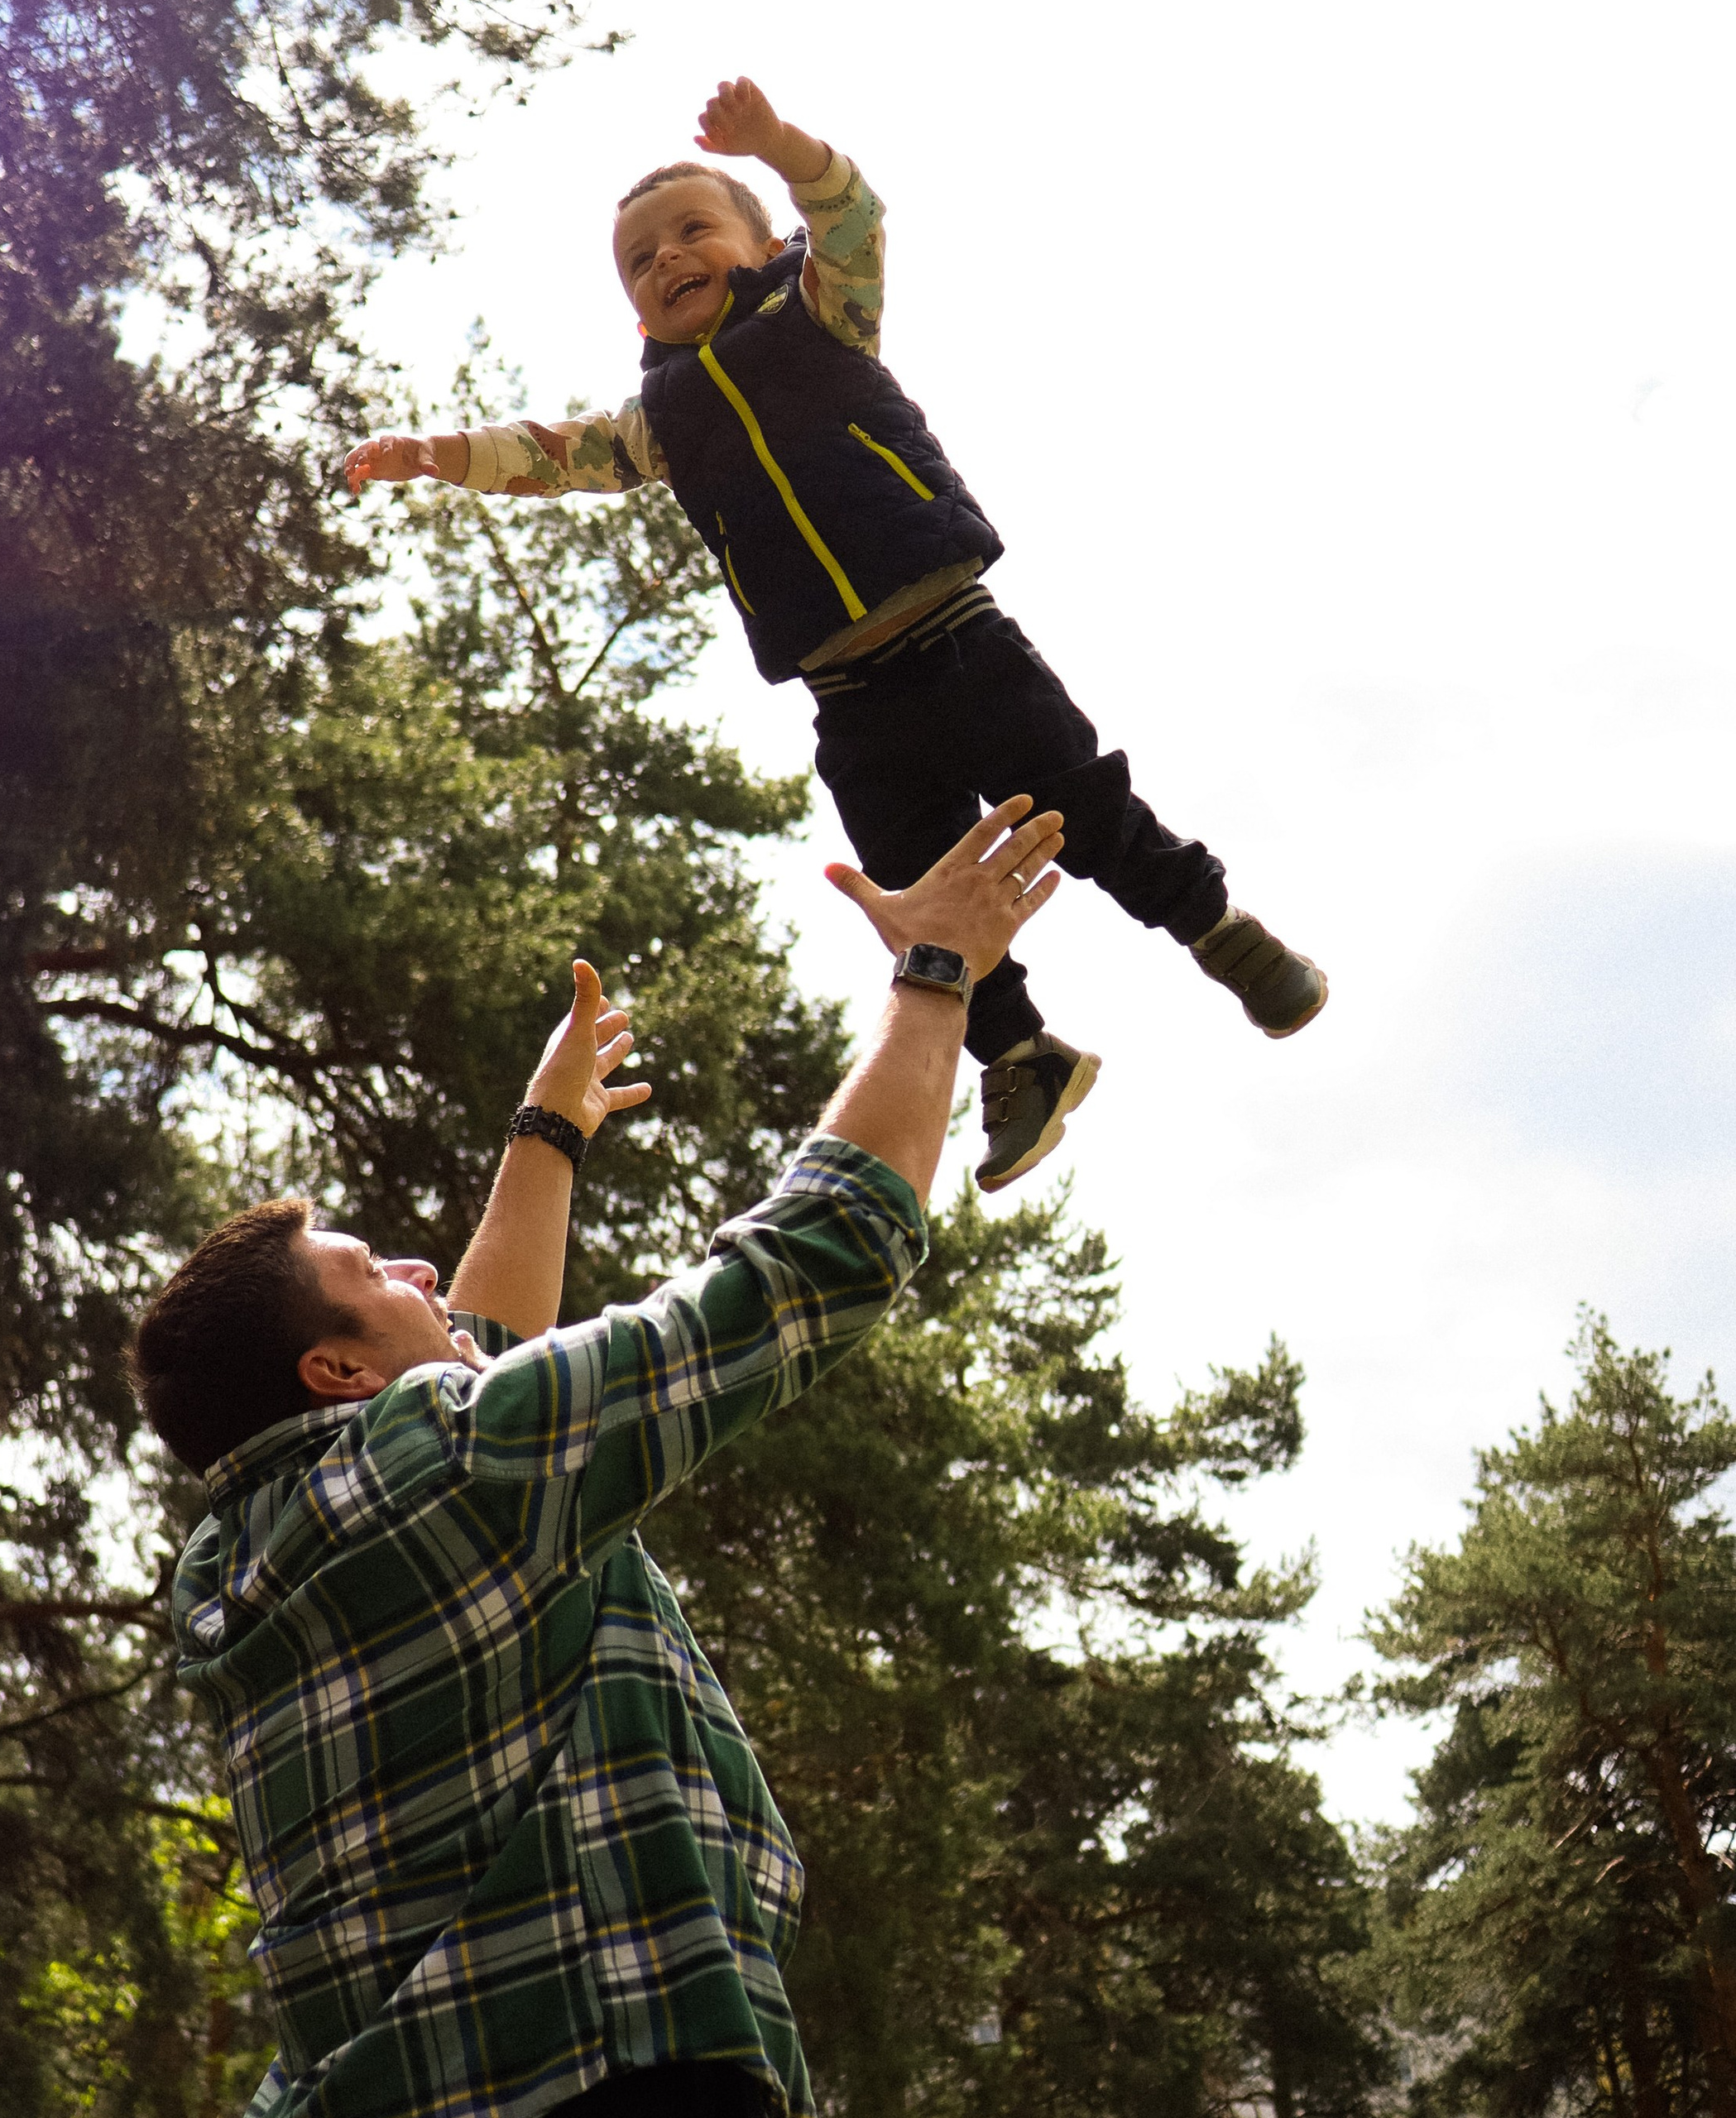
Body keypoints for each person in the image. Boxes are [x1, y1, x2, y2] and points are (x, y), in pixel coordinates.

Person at [133, 799, 1065, 2118]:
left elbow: (484, 1371)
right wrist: (938, 974)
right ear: (335, 1373)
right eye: (371, 1270)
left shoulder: (244, 1559)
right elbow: (820, 1256)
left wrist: (548, 1134)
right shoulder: (447, 1469)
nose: (417, 1266)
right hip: (602, 2073)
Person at [343, 75, 1326, 1193]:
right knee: (916, 899)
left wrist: (774, 143)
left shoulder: (820, 312)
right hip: (851, 703)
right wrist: (435, 456)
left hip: (960, 639)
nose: (668, 259)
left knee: (1083, 809)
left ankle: (1221, 934)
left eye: (693, 231)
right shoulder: (657, 423)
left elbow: (855, 217)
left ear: (768, 247)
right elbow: (551, 455)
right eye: (641, 261)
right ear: (637, 315)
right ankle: (1020, 1058)